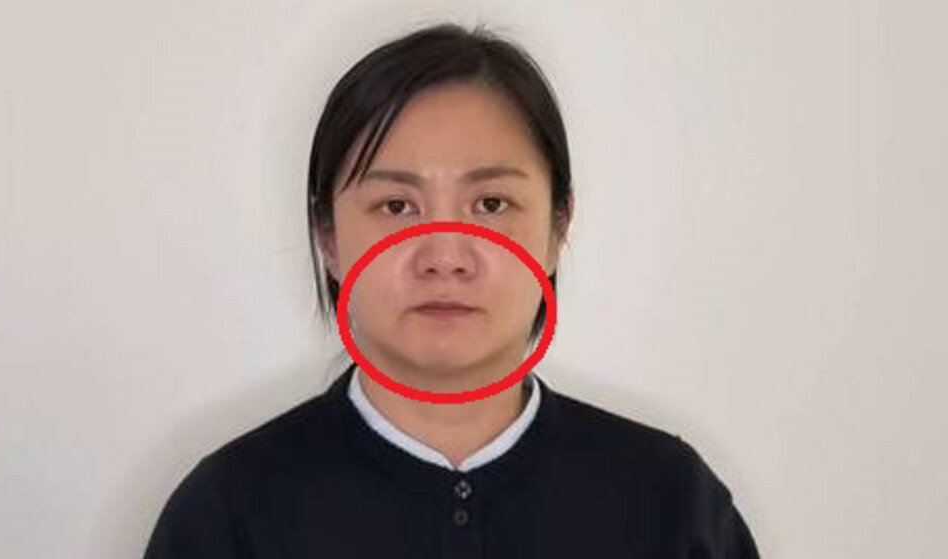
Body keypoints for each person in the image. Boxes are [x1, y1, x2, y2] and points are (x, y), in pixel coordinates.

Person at [143, 22, 761, 558]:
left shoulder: (669, 503)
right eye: (396, 206)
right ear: (328, 238)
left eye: (491, 204)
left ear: (557, 228)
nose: (444, 256)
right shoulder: (230, 514)